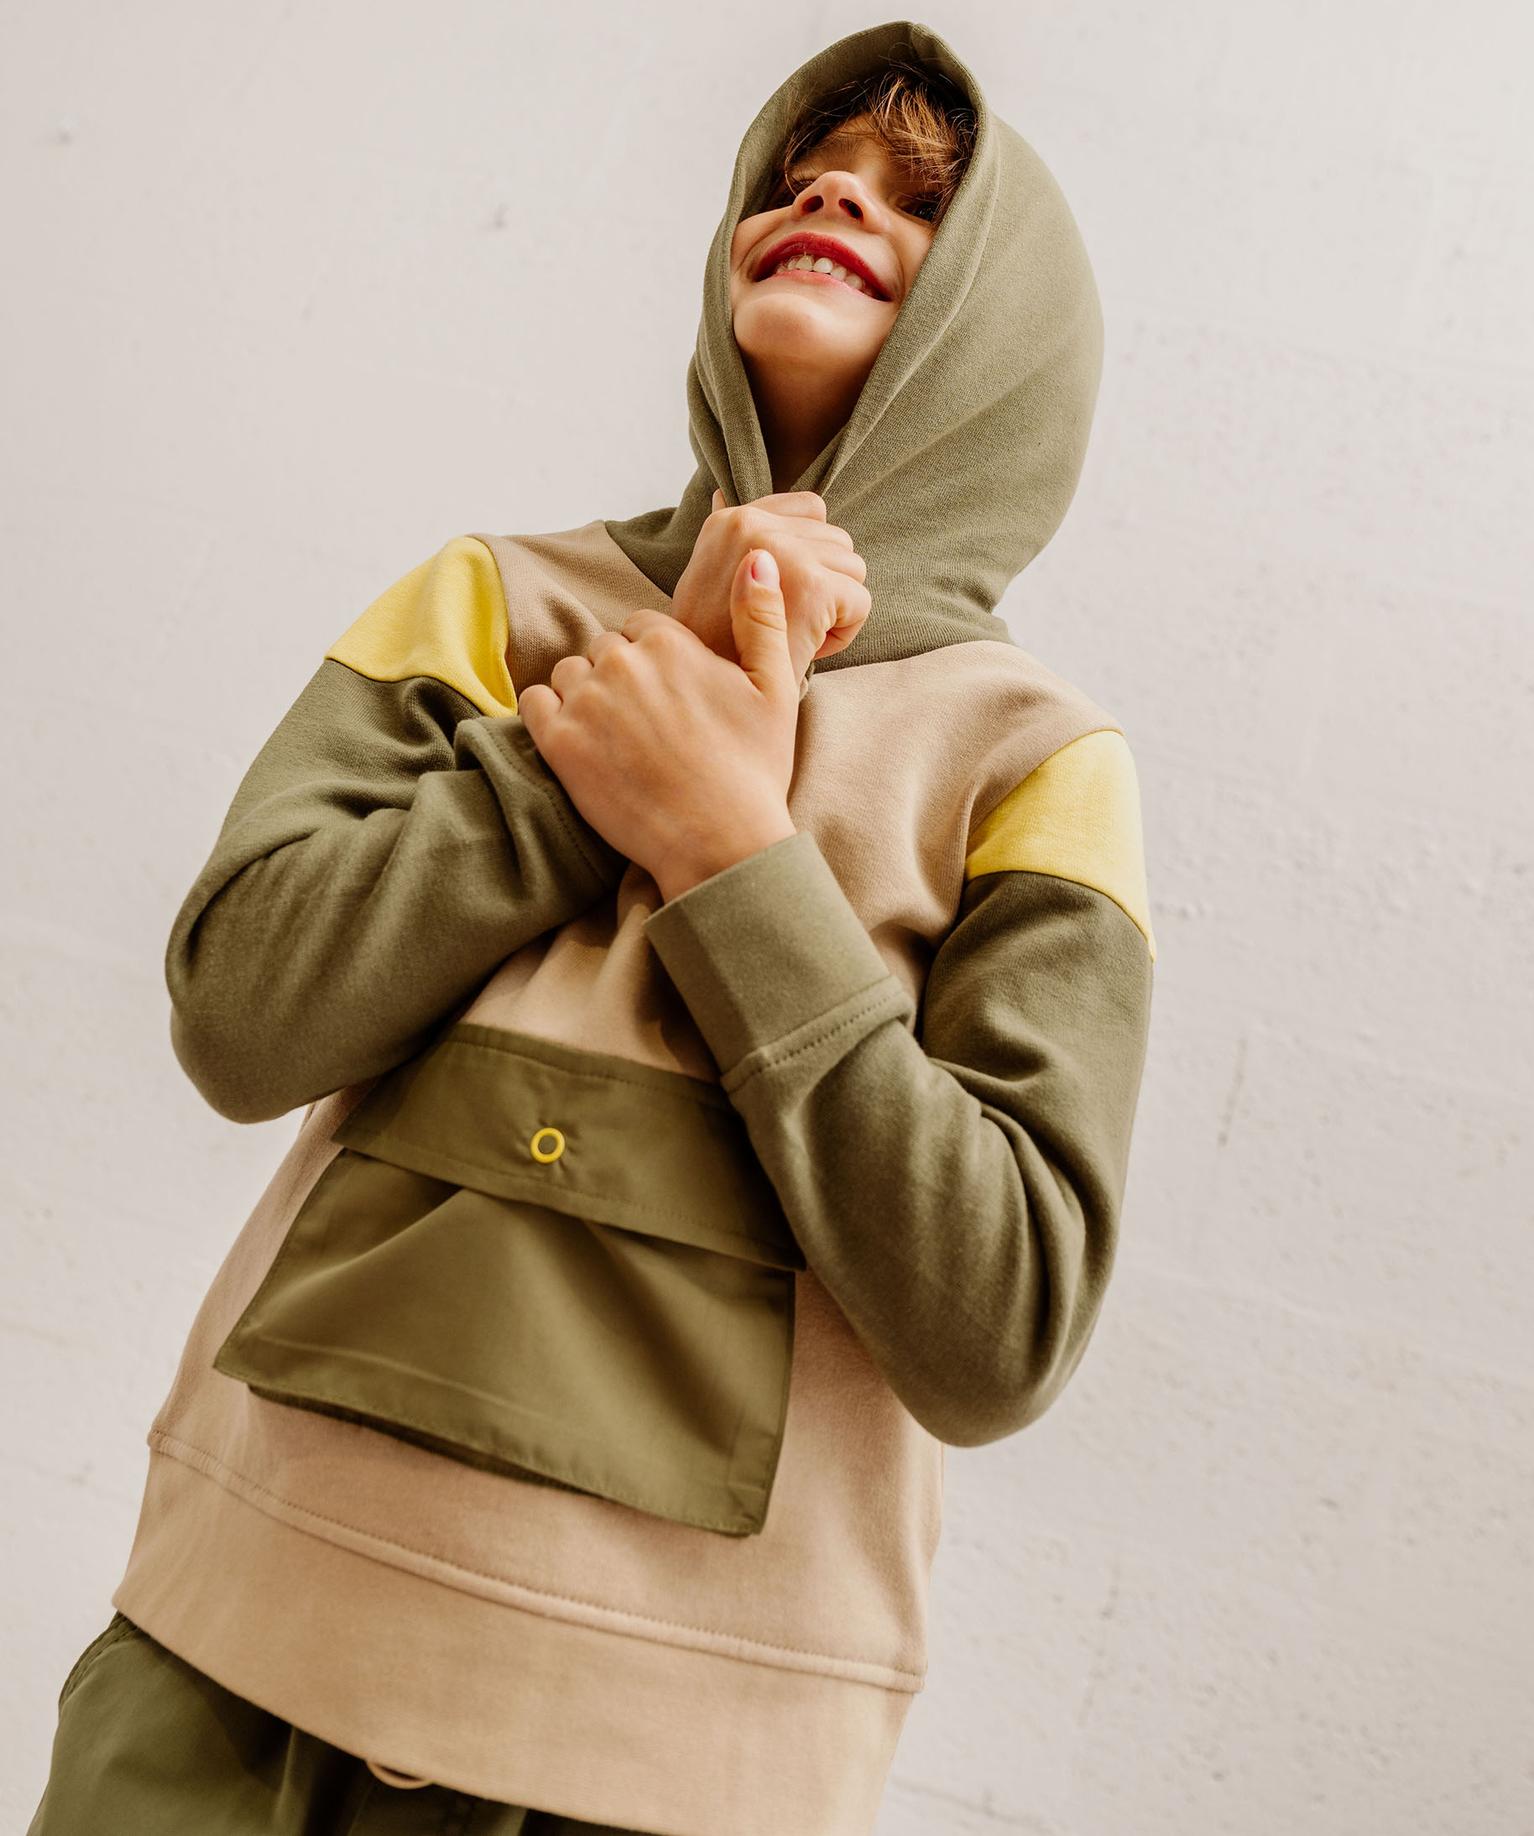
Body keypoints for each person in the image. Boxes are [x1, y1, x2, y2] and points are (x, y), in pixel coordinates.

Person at [27, 20, 1156, 1836]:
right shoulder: (496, 599)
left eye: (912, 201)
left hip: (656, 1770)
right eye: (798, 176)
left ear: (1006, 328)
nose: (828, 198)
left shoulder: (1028, 757)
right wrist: (628, 711)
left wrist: (727, 854)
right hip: (229, 1653)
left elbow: (997, 1326)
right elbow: (240, 1019)